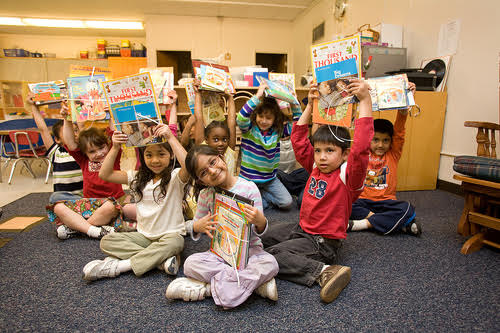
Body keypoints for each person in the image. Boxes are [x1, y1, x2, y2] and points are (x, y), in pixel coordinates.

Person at [262, 79, 374, 303]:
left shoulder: (347, 176)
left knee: (274, 255)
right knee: (263, 232)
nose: (322, 156)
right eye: (319, 150)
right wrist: (311, 106)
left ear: (344, 155)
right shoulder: (314, 166)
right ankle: (254, 260)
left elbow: (361, 148)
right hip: (301, 229)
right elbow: (298, 139)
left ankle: (325, 271)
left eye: (330, 151)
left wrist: (365, 101)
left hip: (322, 243)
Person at [165, 145, 279, 309]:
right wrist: (198, 226)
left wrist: (260, 220)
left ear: (222, 157)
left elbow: (258, 231)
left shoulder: (248, 188)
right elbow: (195, 225)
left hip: (250, 252)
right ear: (200, 181)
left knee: (271, 263)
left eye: (212, 162)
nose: (211, 171)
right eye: (203, 172)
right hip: (220, 255)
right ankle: (254, 286)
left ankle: (207, 289)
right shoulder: (206, 195)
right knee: (190, 263)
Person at [82, 124, 189, 281]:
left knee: (176, 243)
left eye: (161, 154)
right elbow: (105, 174)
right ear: (143, 157)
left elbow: (190, 166)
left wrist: (171, 138)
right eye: (149, 155)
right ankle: (160, 260)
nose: (155, 160)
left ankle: (122, 266)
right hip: (144, 236)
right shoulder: (136, 177)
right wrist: (115, 147)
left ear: (171, 155)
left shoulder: (175, 177)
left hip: (169, 235)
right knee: (107, 241)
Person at [46, 109, 135, 240]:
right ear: (85, 153)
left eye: (101, 148)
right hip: (90, 204)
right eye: (92, 151)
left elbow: (113, 132)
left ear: (107, 145)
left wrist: (110, 114)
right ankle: (94, 228)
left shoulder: (113, 154)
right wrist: (66, 119)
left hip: (110, 204)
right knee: (57, 205)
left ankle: (78, 228)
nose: (99, 153)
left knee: (112, 207)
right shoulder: (83, 160)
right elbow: (70, 143)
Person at [348, 82, 422, 236]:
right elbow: (361, 131)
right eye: (375, 140)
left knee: (407, 208)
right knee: (345, 204)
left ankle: (364, 224)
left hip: (386, 202)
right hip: (362, 201)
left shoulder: (393, 154)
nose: (380, 145)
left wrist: (406, 97)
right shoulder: (363, 153)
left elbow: (400, 129)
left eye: (385, 141)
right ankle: (396, 224)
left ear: (391, 141)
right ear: (369, 139)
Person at [236, 81, 301, 210]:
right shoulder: (249, 129)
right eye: (261, 116)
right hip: (249, 180)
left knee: (287, 203)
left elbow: (298, 125)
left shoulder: (278, 132)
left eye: (268, 118)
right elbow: (241, 117)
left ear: (275, 119)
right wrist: (257, 96)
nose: (264, 121)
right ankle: (259, 199)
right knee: (244, 206)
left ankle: (260, 197)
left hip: (269, 180)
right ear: (256, 115)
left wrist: (294, 103)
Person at [26, 94, 83, 203]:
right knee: (55, 197)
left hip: (83, 198)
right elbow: (43, 129)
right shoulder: (55, 152)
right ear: (57, 139)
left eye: (75, 131)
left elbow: (82, 127)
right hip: (63, 199)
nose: (74, 134)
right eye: (68, 131)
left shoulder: (82, 150)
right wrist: (34, 106)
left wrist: (77, 105)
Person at [192, 79, 238, 176]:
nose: (221, 143)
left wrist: (230, 98)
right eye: (216, 139)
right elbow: (198, 119)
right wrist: (198, 93)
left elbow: (232, 121)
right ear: (206, 140)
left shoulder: (229, 150)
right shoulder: (202, 150)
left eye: (224, 139)